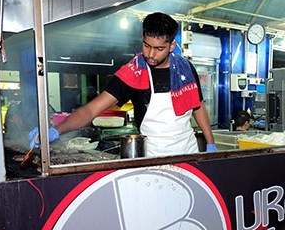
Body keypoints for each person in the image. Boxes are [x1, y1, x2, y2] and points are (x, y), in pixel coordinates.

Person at [29, 12, 216, 156]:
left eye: (159, 49)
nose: (150, 54)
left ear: (172, 46)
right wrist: (55, 130)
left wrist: (210, 143)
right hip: (152, 155)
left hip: (188, 151)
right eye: (146, 45)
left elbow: (197, 106)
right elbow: (91, 110)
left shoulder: (185, 68)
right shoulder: (132, 73)